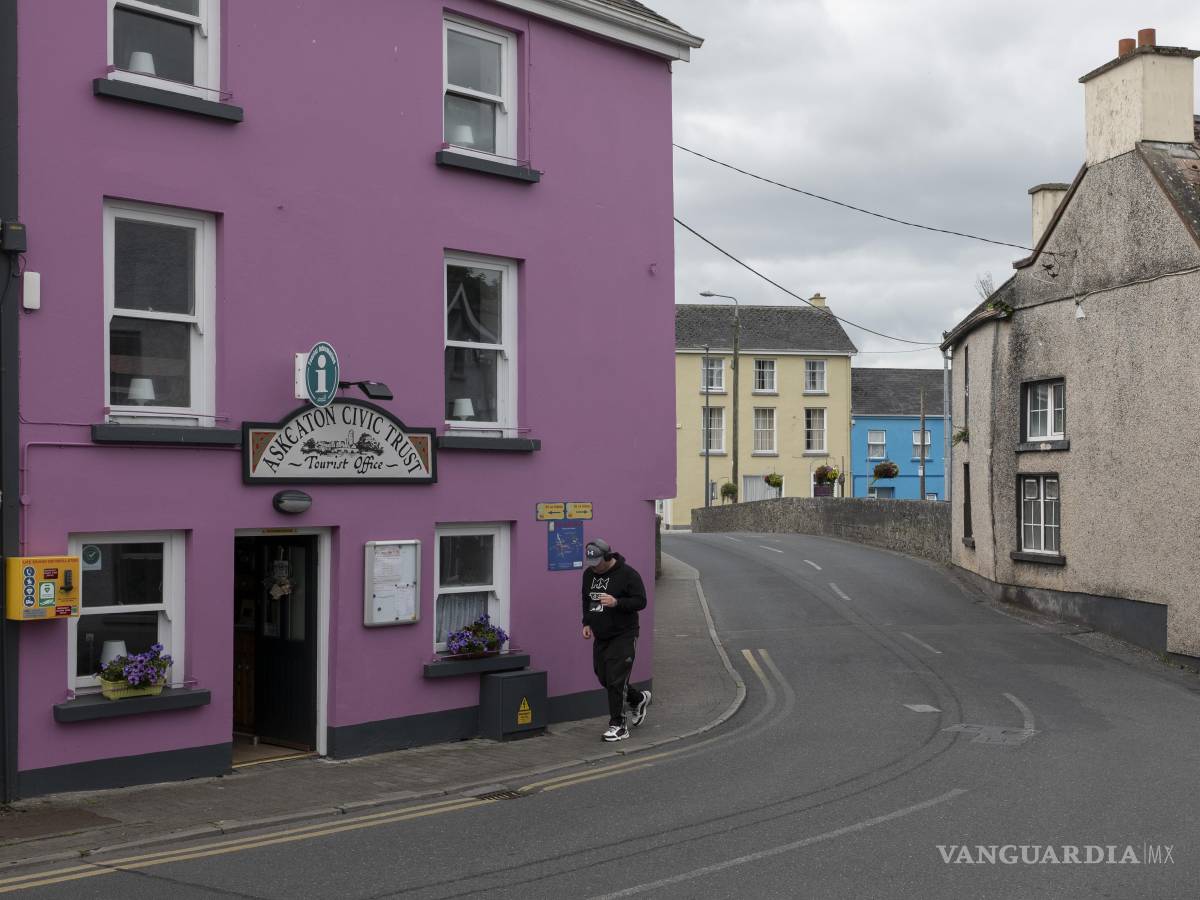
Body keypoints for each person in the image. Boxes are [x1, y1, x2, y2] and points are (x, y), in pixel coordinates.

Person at [581, 537, 651, 741]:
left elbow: (641, 601)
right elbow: (587, 599)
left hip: (624, 634)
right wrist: (586, 623)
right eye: (590, 564)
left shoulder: (628, 574)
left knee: (616, 679)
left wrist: (616, 602)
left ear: (608, 557)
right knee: (604, 677)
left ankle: (619, 725)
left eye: (597, 563)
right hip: (602, 635)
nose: (593, 568)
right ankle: (638, 699)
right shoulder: (588, 575)